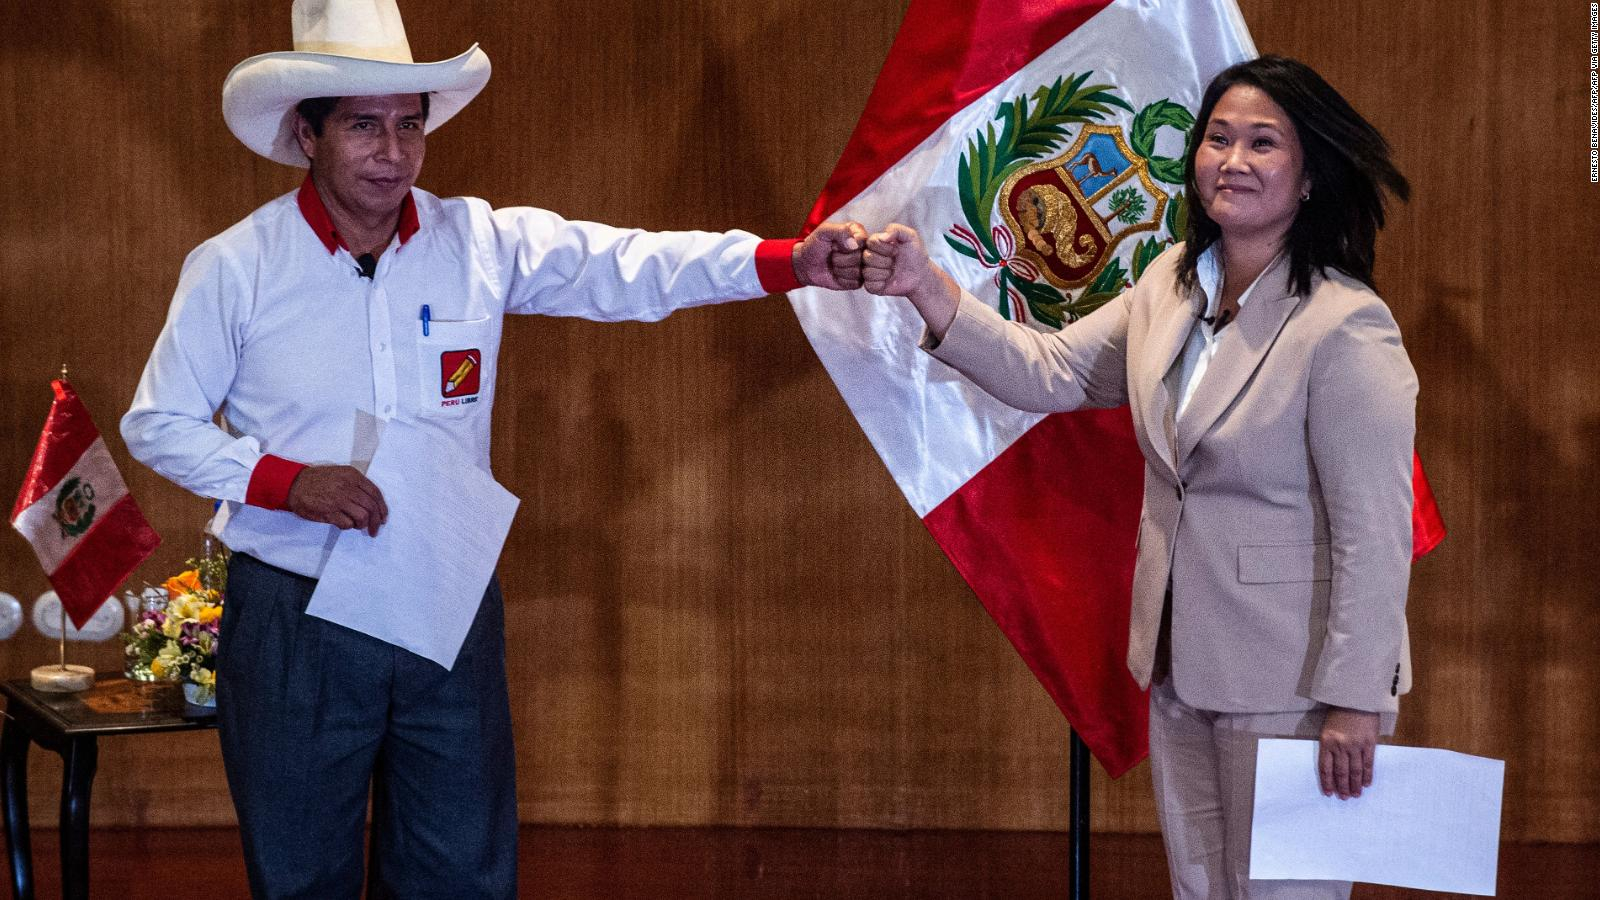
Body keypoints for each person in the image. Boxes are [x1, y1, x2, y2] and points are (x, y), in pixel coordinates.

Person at [120, 1, 862, 897]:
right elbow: (157, 422)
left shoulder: (478, 240)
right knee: (300, 875)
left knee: (460, 870)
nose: (392, 152)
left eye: (409, 125)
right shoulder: (236, 265)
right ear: (306, 134)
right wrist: (282, 481)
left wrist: (790, 262)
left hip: (445, 594)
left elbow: (626, 266)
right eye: (363, 126)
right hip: (293, 610)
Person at [858, 55, 1416, 899]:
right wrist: (927, 290)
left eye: (1263, 144)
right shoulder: (1168, 284)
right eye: (1218, 139)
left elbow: (1378, 532)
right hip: (1181, 662)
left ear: (1308, 179)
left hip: (1295, 683)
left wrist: (1355, 701)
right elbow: (1047, 371)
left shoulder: (1344, 325)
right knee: (1200, 890)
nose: (1233, 161)